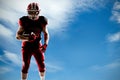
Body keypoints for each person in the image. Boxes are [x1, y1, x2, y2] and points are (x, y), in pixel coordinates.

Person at [16, 2, 49, 80]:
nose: (33, 15)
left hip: (37, 46)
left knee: (42, 65)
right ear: (28, 12)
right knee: (25, 65)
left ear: (39, 12)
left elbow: (46, 33)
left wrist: (45, 44)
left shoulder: (42, 20)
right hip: (26, 46)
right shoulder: (24, 20)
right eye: (31, 12)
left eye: (35, 12)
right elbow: (17, 36)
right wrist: (27, 38)